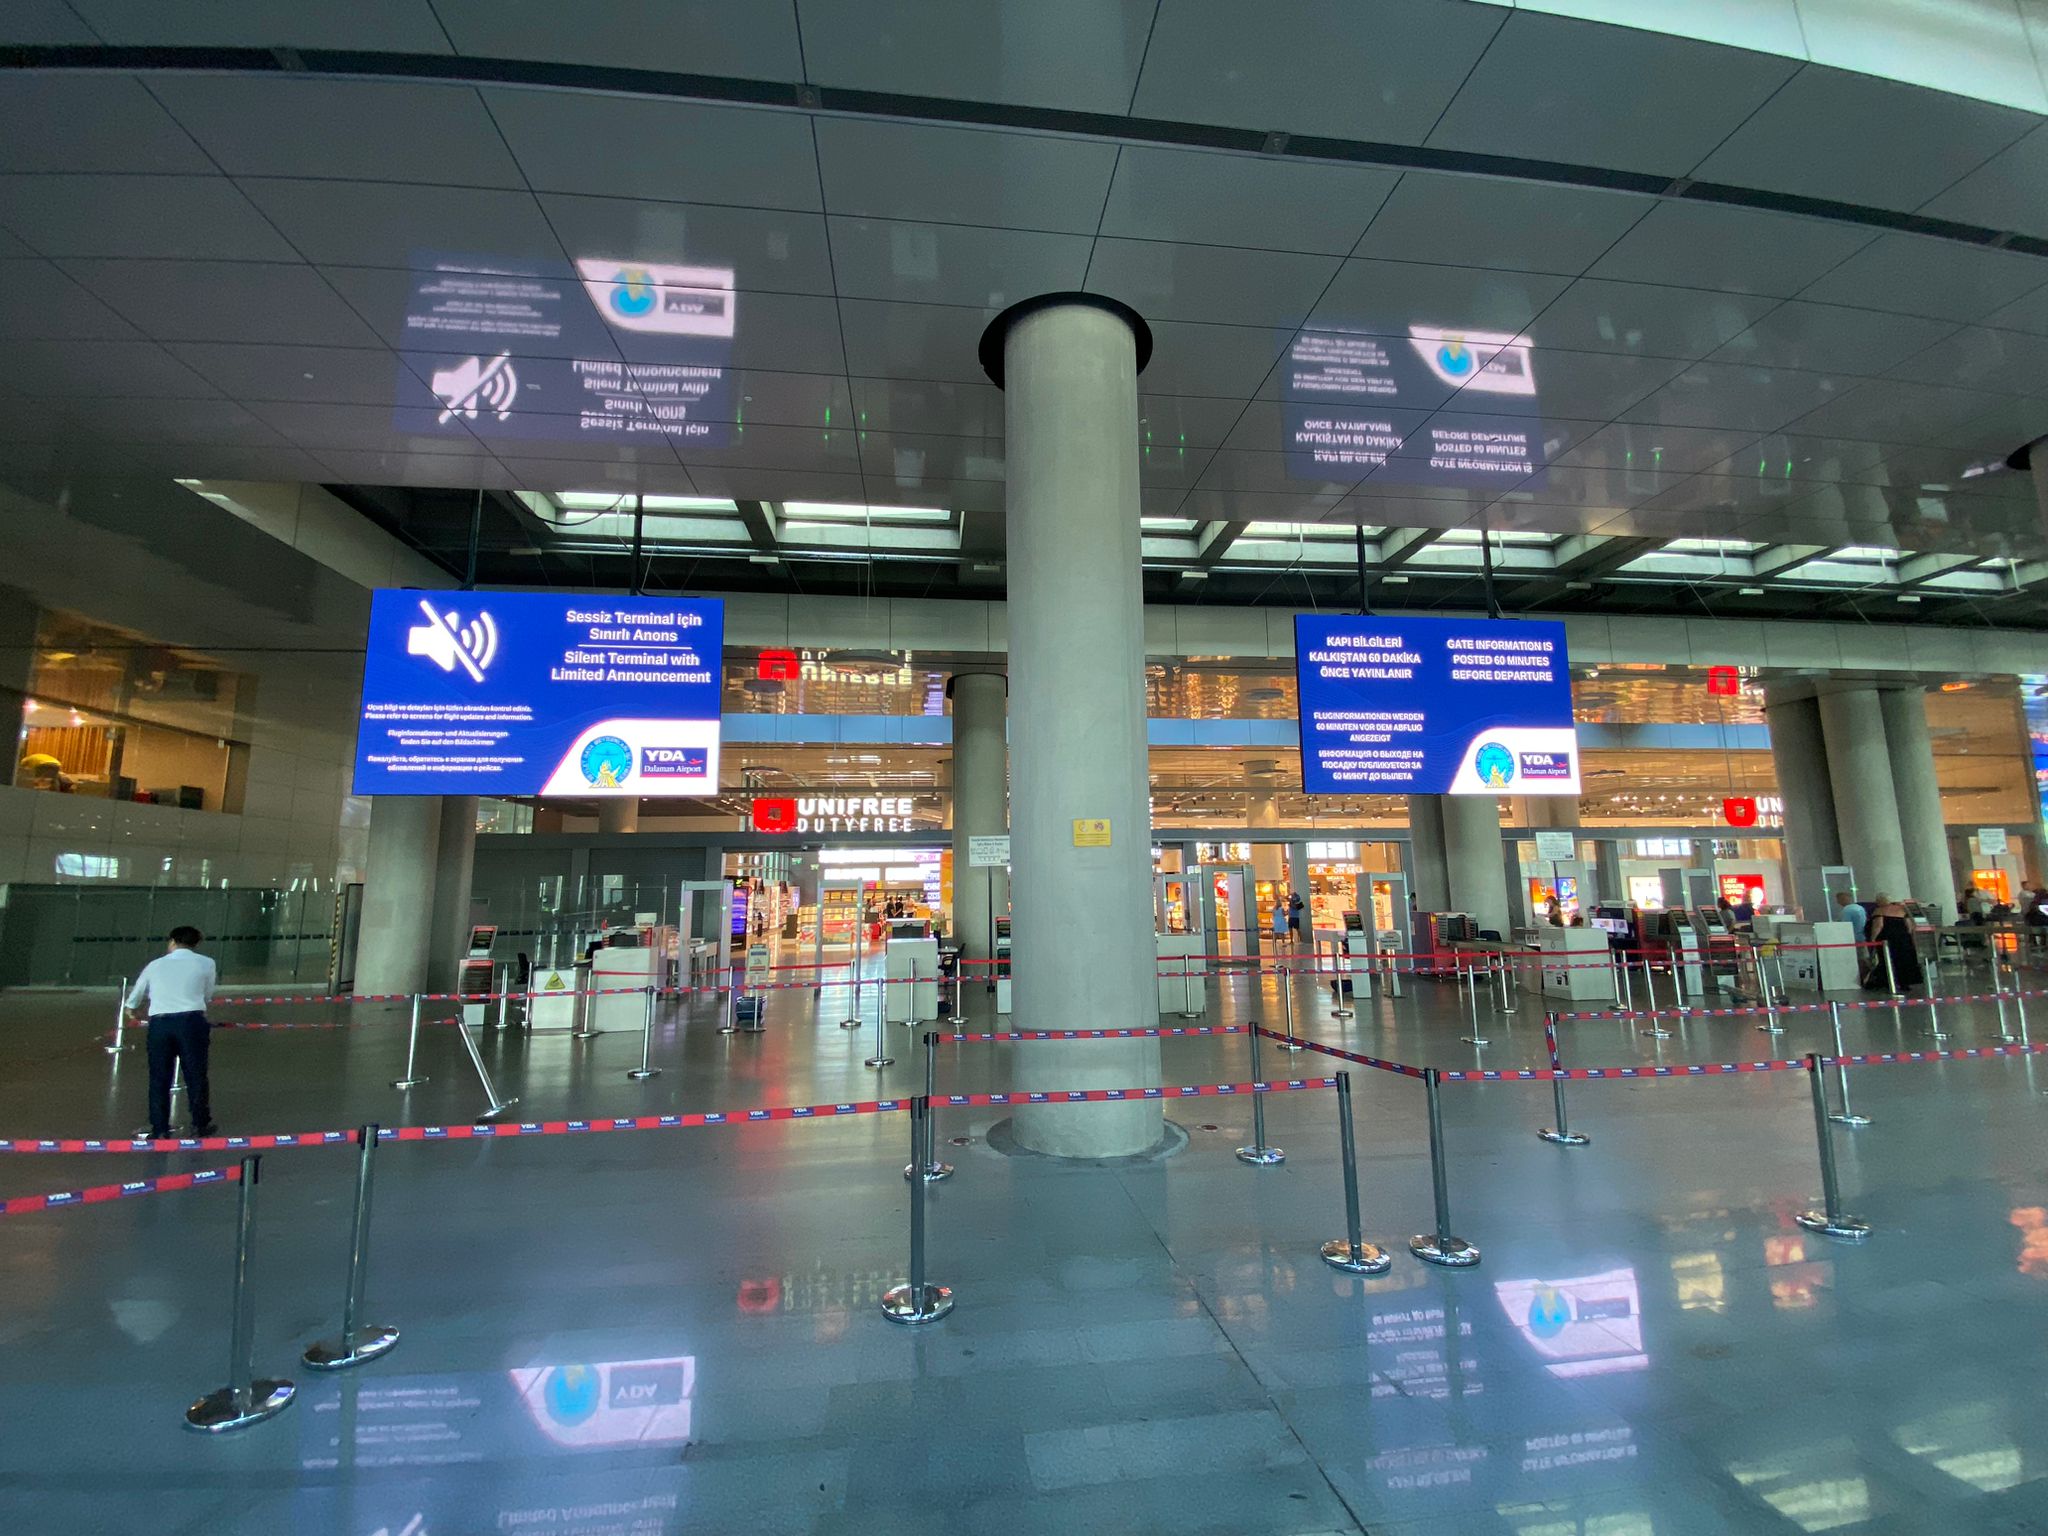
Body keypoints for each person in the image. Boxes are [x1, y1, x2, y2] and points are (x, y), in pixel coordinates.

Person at [124, 925, 218, 1139]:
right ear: (196, 943)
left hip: (160, 1024)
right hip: (191, 1022)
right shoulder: (207, 963)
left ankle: (160, 1128)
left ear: (173, 941)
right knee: (195, 1074)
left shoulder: (155, 965)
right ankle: (200, 1124)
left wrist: (131, 1008)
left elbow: (138, 991)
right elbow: (207, 993)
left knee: (159, 1077)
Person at [1863, 896, 1925, 994]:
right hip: (1903, 938)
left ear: (1880, 902)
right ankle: (1904, 983)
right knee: (1904, 959)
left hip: (1887, 939)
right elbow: (1909, 926)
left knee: (1887, 960)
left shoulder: (1880, 910)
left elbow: (1878, 926)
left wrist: (1873, 939)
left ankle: (1887, 982)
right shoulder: (1902, 910)